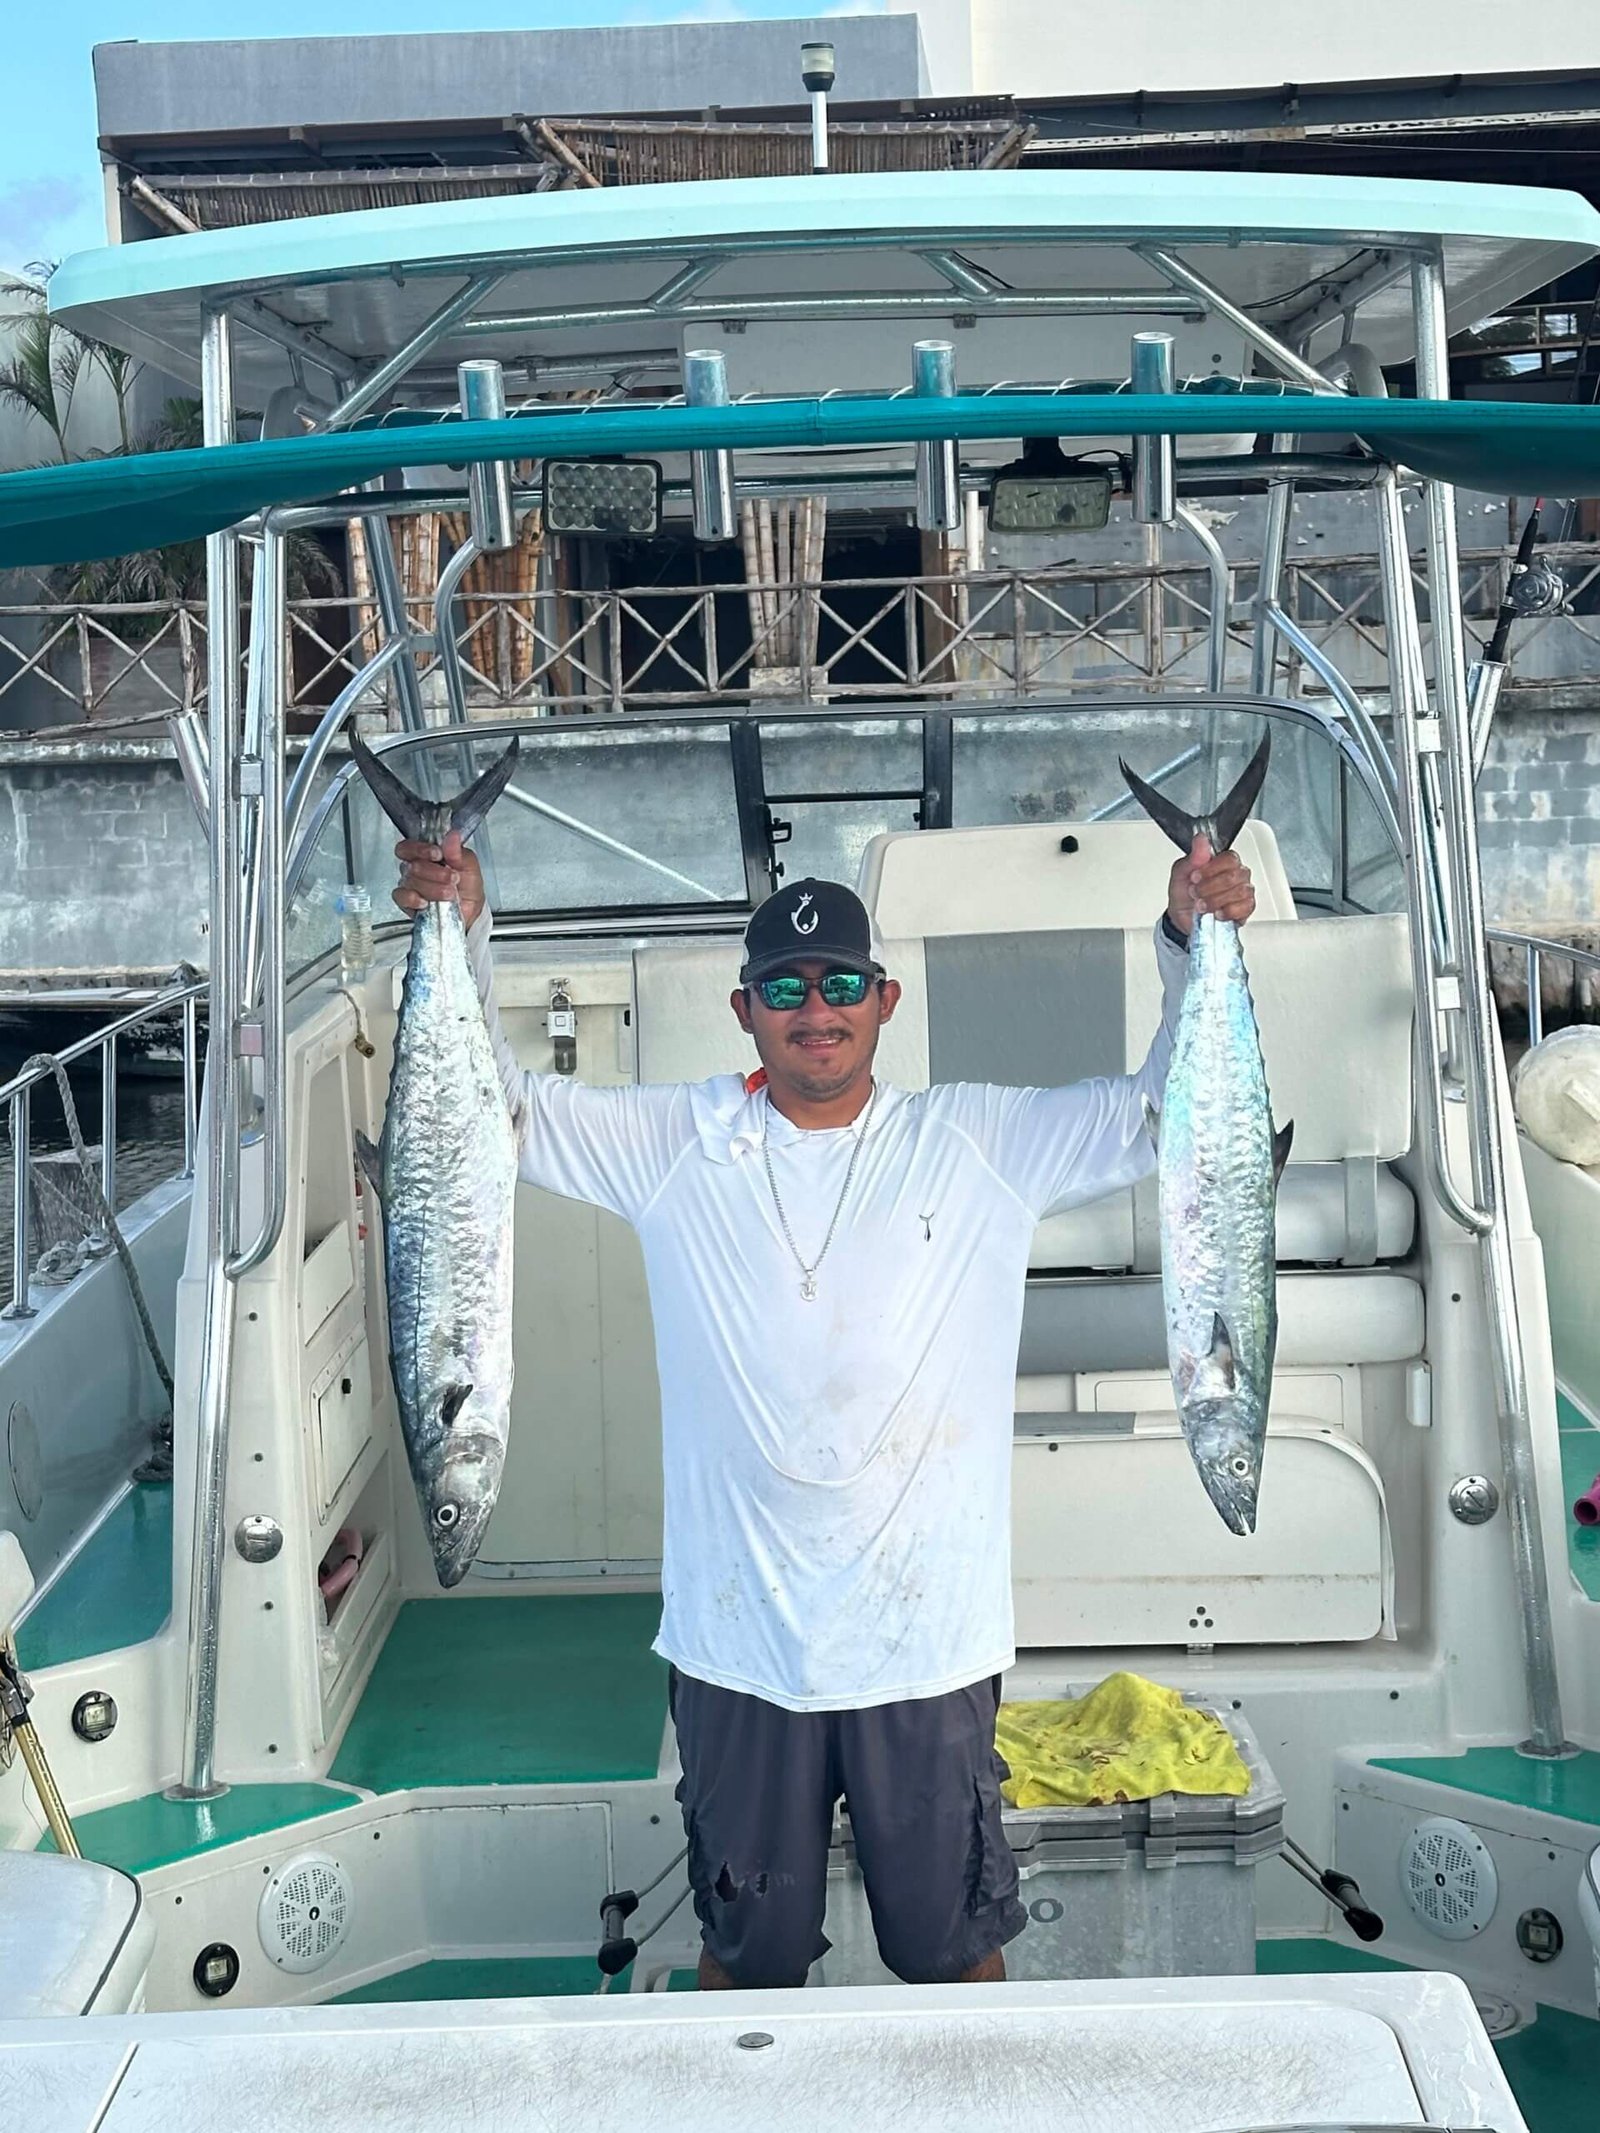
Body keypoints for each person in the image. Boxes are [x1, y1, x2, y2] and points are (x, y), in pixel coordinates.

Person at [394, 824, 1255, 1992]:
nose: (816, 1010)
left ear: (884, 1001)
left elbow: (1166, 1113)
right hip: (738, 1651)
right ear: (742, 1008)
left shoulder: (978, 1141)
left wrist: (1189, 944)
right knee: (746, 1959)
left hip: (925, 1649)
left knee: (951, 1953)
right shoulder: (674, 1141)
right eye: (787, 988)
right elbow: (491, 1114)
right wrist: (460, 929)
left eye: (841, 985)